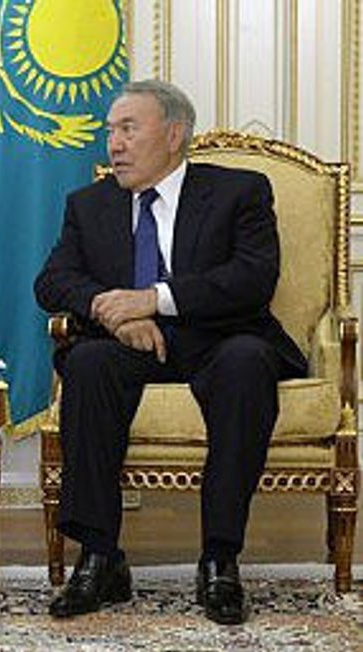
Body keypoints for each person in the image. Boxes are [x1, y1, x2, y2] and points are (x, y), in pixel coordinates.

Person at [34, 79, 306, 625]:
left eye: (128, 129)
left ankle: (220, 559)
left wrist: (154, 300)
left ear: (174, 134)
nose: (114, 144)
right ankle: (100, 557)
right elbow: (53, 281)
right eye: (111, 131)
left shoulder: (239, 192)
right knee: (86, 363)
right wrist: (115, 313)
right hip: (132, 345)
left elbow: (253, 278)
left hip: (219, 338)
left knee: (247, 364)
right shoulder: (90, 203)